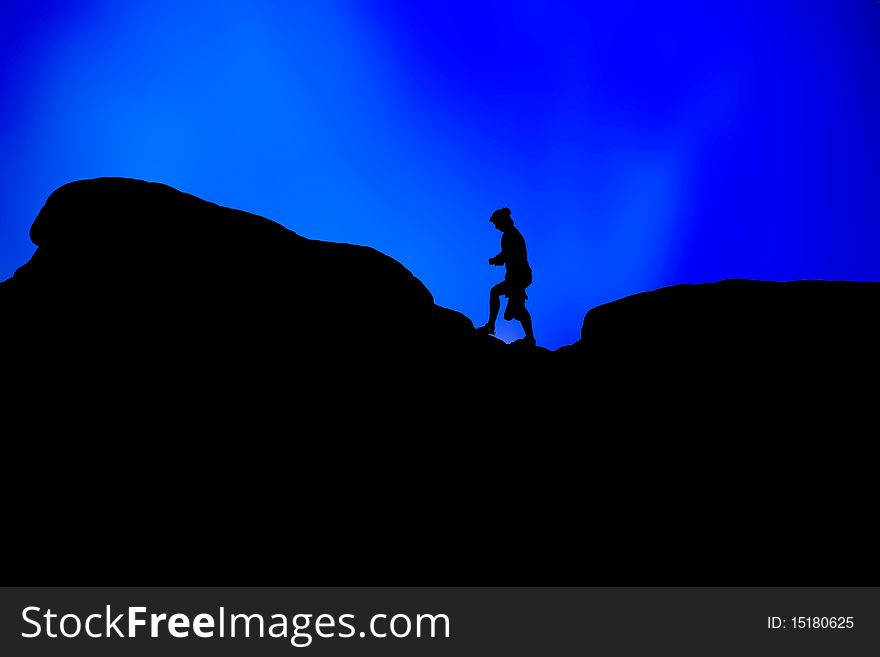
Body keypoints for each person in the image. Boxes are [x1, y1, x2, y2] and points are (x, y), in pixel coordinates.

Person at [476, 207, 536, 345]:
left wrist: (496, 260)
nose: (496, 227)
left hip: (519, 278)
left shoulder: (512, 235)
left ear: (502, 221)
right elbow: (506, 255)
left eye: (496, 223)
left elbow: (508, 255)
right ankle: (492, 325)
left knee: (514, 308)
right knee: (511, 309)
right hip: (516, 278)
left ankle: (529, 338)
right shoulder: (509, 235)